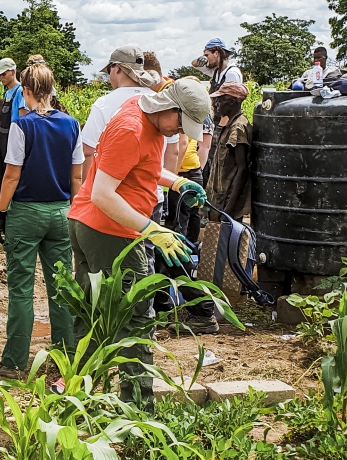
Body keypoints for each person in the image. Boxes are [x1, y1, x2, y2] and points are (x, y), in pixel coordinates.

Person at [66, 79, 210, 408]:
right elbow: (103, 194)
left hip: (92, 225)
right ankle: (139, 411)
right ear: (169, 108)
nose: (178, 132)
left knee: (91, 315)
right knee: (136, 318)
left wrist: (177, 182)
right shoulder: (130, 128)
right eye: (180, 123)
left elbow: (141, 166)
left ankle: (80, 398)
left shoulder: (147, 115)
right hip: (109, 232)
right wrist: (153, 231)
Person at [0, 56, 84, 379]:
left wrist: (0, 211)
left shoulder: (22, 125)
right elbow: (76, 176)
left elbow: (11, 175)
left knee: (21, 288)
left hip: (26, 211)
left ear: (26, 91)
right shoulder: (71, 125)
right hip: (61, 210)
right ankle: (67, 354)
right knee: (61, 286)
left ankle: (15, 361)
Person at [80, 45, 158, 179]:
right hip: (152, 192)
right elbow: (173, 150)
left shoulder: (104, 104)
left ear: (117, 68)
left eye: (109, 70)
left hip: (111, 192)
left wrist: (86, 192)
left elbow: (88, 152)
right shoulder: (158, 101)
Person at [204, 82, 253, 221]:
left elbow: (242, 169)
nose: (217, 104)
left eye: (221, 100)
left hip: (226, 202)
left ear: (232, 102)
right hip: (220, 200)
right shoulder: (230, 124)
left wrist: (229, 209)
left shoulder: (237, 128)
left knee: (226, 240)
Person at [0, 58, 29, 194]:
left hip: (13, 137)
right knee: (1, 173)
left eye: (4, 74)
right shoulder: (7, 93)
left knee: (11, 174)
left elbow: (23, 119)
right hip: (2, 136)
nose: (1, 77)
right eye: (0, 75)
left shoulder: (20, 92)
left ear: (12, 72)